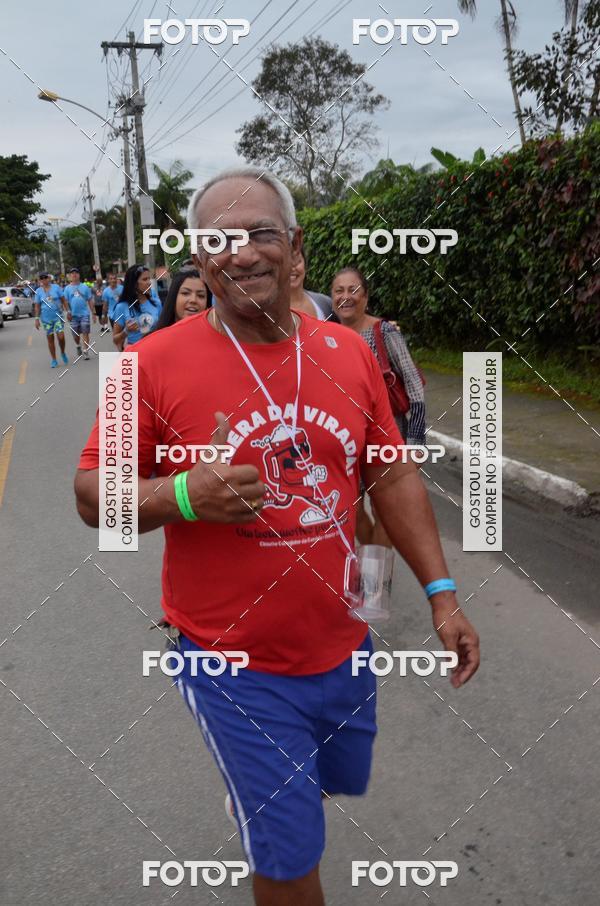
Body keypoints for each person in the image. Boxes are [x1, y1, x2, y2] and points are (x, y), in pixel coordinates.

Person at [74, 166, 479, 906]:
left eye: (261, 233)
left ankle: (267, 794)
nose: (243, 253)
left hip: (343, 643)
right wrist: (184, 494)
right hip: (233, 668)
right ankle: (267, 801)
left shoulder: (349, 352)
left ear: (294, 249)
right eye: (220, 240)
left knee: (324, 787)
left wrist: (442, 594)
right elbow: (92, 498)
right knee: (291, 860)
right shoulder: (146, 365)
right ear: (200, 258)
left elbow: (389, 477)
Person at [331, 266, 426, 546]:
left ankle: (376, 583)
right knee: (354, 508)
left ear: (366, 297)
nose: (346, 297)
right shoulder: (327, 334)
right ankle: (373, 566)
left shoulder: (384, 332)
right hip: (347, 441)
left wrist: (416, 444)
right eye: (339, 291)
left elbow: (415, 387)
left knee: (387, 510)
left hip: (389, 436)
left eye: (353, 290)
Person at [111, 264, 162, 350]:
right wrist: (126, 331)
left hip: (155, 352)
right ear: (134, 284)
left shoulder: (156, 303)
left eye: (149, 278)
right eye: (145, 279)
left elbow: (164, 329)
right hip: (135, 354)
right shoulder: (121, 307)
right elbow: (115, 340)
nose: (149, 282)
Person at [33, 272, 68, 368]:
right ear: (40, 280)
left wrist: (68, 311)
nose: (44, 279)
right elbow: (37, 306)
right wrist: (36, 319)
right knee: (50, 338)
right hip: (46, 320)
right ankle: (54, 359)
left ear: (49, 278)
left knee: (61, 337)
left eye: (46, 277)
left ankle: (63, 352)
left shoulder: (56, 287)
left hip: (57, 317)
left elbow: (63, 300)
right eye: (42, 278)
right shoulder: (38, 291)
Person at [289, 247, 332, 320]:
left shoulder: (325, 304)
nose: (292, 268)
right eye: (286, 262)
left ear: (305, 265)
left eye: (297, 261)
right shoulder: (266, 310)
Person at [63, 267, 95, 360]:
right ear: (70, 276)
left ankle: (86, 351)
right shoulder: (67, 288)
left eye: (76, 273)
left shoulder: (84, 287)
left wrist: (93, 313)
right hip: (73, 315)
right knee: (75, 335)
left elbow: (90, 300)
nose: (74, 274)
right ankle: (78, 345)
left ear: (79, 275)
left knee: (85, 332)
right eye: (72, 273)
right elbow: (65, 302)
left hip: (84, 314)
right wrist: (68, 312)